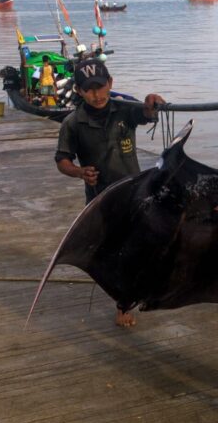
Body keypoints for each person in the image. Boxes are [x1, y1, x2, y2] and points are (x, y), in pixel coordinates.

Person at [55, 58, 166, 328]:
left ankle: (141, 292)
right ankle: (123, 305)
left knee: (143, 247)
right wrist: (80, 172)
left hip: (135, 195)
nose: (97, 95)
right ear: (79, 91)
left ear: (111, 83)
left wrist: (152, 102)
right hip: (101, 200)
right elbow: (62, 160)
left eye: (101, 87)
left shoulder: (124, 110)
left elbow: (147, 113)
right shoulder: (73, 123)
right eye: (89, 89)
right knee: (113, 253)